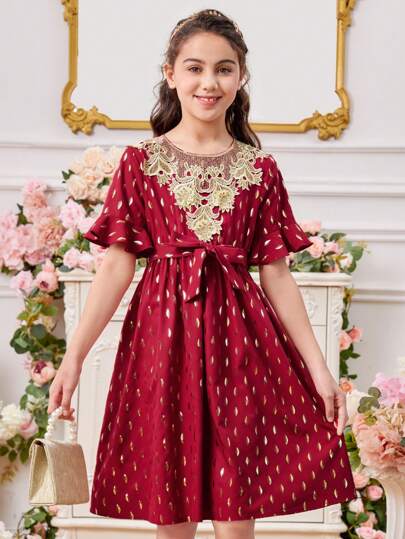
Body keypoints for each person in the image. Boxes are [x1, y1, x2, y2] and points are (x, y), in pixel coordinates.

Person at [47, 8, 357, 539]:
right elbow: (117, 265)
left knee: (238, 508)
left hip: (242, 343)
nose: (208, 82)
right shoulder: (140, 162)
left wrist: (320, 369)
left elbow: (277, 275)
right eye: (194, 68)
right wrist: (72, 359)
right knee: (173, 508)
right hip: (161, 340)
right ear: (171, 74)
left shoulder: (260, 169)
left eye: (223, 69)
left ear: (241, 78)